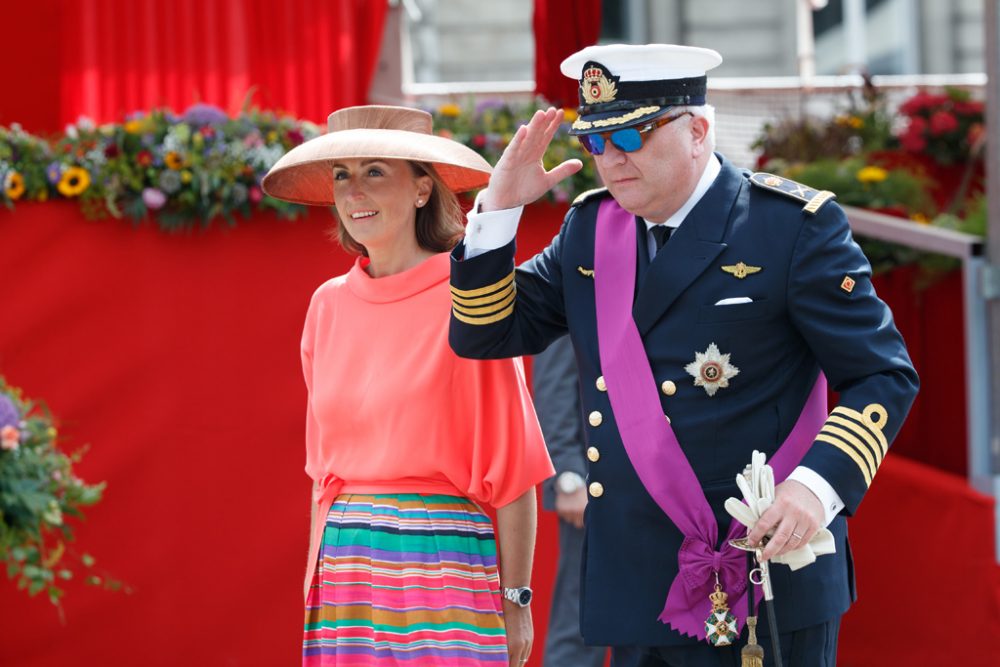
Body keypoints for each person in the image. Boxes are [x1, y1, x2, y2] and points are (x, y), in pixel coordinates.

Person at [448, 44, 919, 666]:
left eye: (631, 136)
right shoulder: (591, 230)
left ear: (697, 129)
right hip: (636, 576)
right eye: (596, 142)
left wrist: (815, 487)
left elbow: (882, 375)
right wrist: (499, 208)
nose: (611, 160)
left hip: (762, 563)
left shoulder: (791, 227)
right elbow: (485, 332)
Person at [262, 105, 555, 667]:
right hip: (345, 565)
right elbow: (323, 475)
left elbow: (516, 471)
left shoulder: (469, 296)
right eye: (342, 174)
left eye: (374, 171)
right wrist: (314, 579)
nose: (353, 191)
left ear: (423, 189)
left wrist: (517, 601)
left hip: (441, 561)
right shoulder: (326, 305)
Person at [531, 335, 608, 667]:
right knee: (580, 621)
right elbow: (555, 383)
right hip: (593, 488)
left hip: (657, 488)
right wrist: (568, 475)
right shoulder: (581, 282)